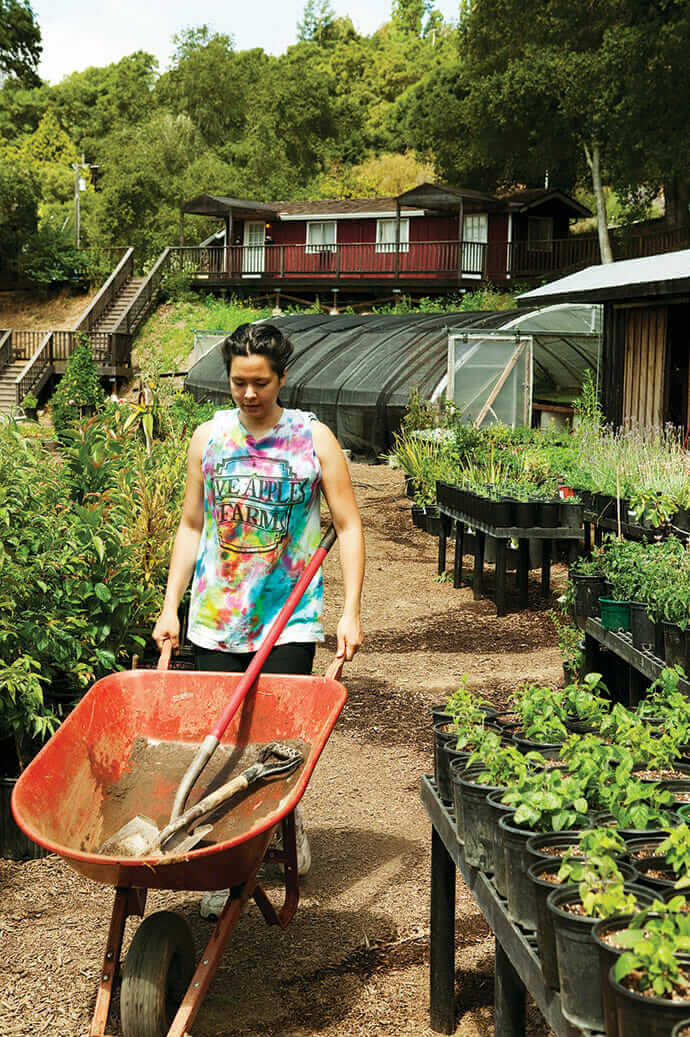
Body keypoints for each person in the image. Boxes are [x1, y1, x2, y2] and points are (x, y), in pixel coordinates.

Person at [152, 322, 365, 901]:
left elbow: (347, 525)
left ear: (282, 378)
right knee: (219, 742)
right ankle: (226, 860)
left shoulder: (312, 439)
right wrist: (171, 606)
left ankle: (283, 827)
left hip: (289, 619)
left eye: (261, 383)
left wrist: (350, 612)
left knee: (279, 736)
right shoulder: (209, 438)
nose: (248, 394)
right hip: (216, 620)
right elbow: (192, 524)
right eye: (239, 382)